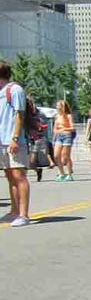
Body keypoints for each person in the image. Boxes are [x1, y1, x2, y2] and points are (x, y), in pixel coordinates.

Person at [0, 60, 32, 226]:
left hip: (14, 140)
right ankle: (14, 211)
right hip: (2, 142)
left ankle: (24, 214)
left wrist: (14, 138)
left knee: (19, 176)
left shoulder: (15, 90)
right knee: (10, 176)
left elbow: (19, 114)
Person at [52, 99, 76, 181]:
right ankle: (61, 173)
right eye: (57, 106)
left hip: (67, 136)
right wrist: (55, 133)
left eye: (59, 106)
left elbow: (72, 128)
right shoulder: (57, 116)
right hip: (59, 136)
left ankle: (69, 174)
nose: (57, 108)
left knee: (65, 156)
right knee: (56, 155)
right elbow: (54, 128)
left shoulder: (68, 116)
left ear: (63, 107)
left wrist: (64, 128)